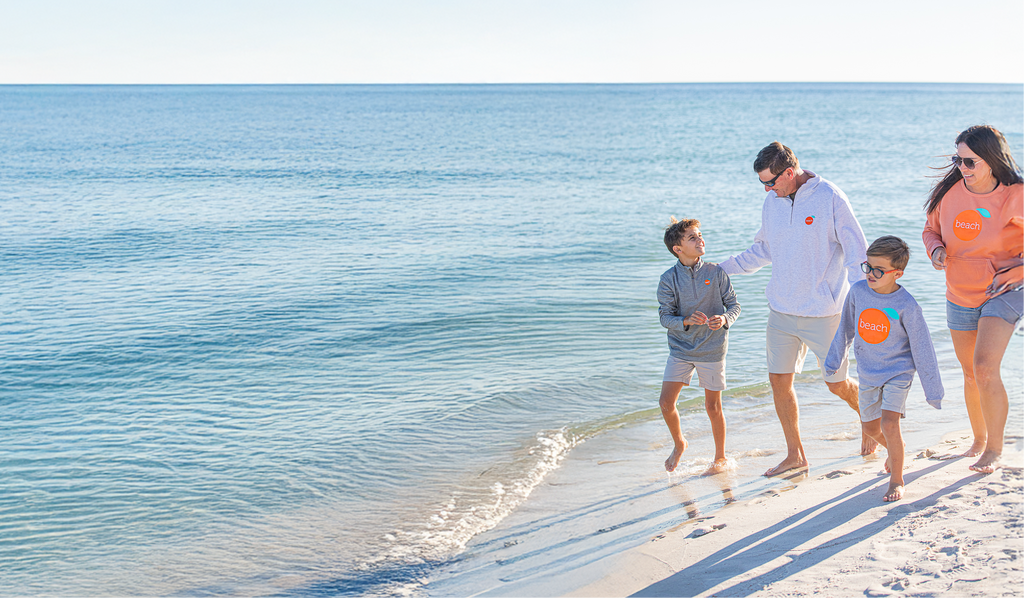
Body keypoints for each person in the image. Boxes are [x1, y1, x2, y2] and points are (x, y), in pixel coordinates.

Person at [720, 141, 870, 477]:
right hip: (782, 311)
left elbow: (857, 254)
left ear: (790, 172)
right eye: (762, 183)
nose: (766, 189)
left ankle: (868, 417)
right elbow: (762, 251)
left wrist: (864, 302)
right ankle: (796, 455)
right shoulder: (771, 202)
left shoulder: (831, 197)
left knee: (837, 384)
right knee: (778, 382)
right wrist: (719, 269)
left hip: (824, 312)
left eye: (771, 182)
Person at [922, 124, 1024, 474]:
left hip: (1005, 289)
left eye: (970, 162)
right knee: (969, 374)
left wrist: (1018, 273)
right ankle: (978, 440)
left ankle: (994, 450)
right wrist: (935, 250)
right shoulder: (950, 193)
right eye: (958, 159)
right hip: (960, 290)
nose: (962, 168)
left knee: (984, 367)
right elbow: (930, 229)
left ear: (992, 161)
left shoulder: (1016, 195)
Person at [824, 236, 944, 501]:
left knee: (890, 423)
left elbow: (923, 349)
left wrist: (932, 391)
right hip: (868, 371)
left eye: (879, 270)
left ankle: (897, 480)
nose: (871, 274)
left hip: (898, 372)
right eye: (868, 266)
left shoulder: (907, 306)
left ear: (897, 273)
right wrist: (833, 361)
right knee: (870, 428)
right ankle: (895, 452)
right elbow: (845, 328)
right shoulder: (857, 292)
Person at [658, 217, 741, 475]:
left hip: (712, 349)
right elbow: (664, 317)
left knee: (712, 406)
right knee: (665, 403)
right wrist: (685, 320)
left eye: (700, 235)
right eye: (692, 237)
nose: (700, 240)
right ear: (678, 249)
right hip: (681, 350)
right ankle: (679, 443)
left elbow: (734, 306)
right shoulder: (668, 279)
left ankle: (720, 458)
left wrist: (725, 319)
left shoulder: (716, 273)